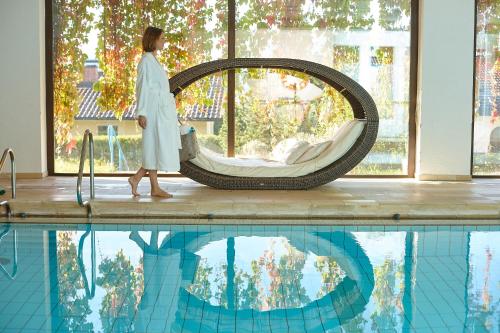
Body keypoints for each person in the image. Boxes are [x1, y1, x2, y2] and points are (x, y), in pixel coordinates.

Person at [128, 26, 182, 198]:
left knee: (155, 146)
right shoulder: (145, 61)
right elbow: (142, 87)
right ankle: (149, 185)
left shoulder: (153, 60)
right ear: (153, 40)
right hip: (151, 110)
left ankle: (142, 181)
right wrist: (142, 112)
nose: (164, 41)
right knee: (153, 145)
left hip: (160, 109)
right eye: (161, 39)